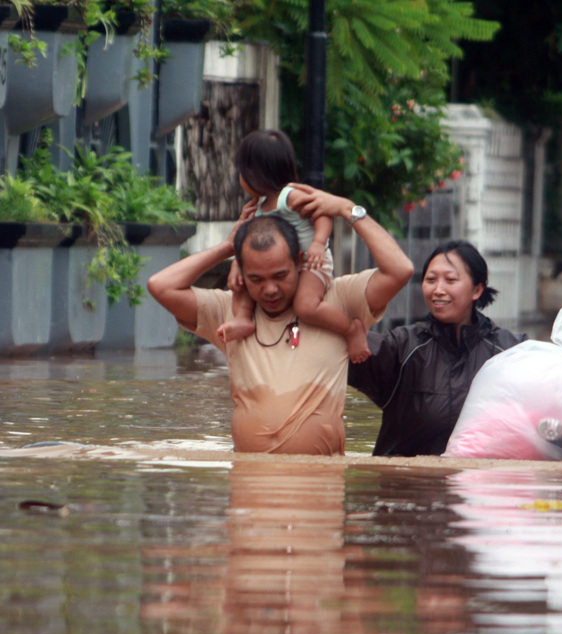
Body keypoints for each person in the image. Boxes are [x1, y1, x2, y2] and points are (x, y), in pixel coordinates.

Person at [147, 186, 414, 454]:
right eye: (256, 279)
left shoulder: (339, 300)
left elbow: (400, 270)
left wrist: (348, 209)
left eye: (280, 276)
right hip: (248, 485)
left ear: (300, 261)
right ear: (240, 273)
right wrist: (228, 247)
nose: (270, 289)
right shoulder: (230, 312)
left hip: (320, 487)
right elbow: (161, 286)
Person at [348, 240, 527, 456]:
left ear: (477, 289)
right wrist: (350, 332)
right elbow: (332, 352)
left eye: (450, 280)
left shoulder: (511, 352)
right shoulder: (403, 347)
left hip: (481, 485)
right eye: (430, 280)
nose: (438, 290)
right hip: (407, 485)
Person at [216, 130, 370, 363]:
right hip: (281, 268)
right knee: (242, 285)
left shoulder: (290, 197)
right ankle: (243, 318)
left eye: (241, 172)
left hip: (311, 261)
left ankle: (351, 328)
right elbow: (247, 242)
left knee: (305, 307)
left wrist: (319, 243)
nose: (240, 178)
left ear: (253, 173)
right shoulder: (257, 208)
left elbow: (322, 214)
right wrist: (237, 263)